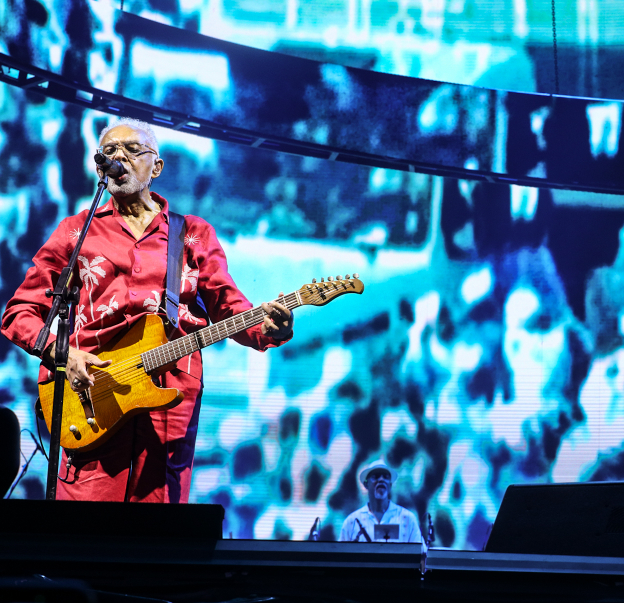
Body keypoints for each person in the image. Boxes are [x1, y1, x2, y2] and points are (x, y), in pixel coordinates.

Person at [0, 118, 294, 503]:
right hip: (90, 397)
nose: (118, 156)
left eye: (131, 149)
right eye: (109, 151)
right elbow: (19, 311)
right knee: (85, 538)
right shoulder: (77, 231)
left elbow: (228, 306)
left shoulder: (192, 234)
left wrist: (268, 326)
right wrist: (64, 354)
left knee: (157, 534)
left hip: (169, 402)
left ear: (156, 167)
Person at [340, 459, 423, 543]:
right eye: (375, 476)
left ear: (390, 485)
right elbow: (340, 554)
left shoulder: (408, 519)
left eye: (386, 477)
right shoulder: (351, 522)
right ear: (366, 485)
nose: (381, 480)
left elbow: (421, 553)